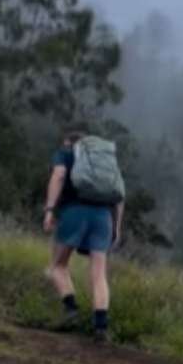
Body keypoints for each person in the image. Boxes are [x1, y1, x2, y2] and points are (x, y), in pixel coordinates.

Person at [42, 129, 125, 343]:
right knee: (99, 274)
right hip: (103, 217)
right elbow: (119, 194)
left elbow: (59, 175)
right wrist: (117, 227)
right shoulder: (105, 161)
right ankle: (101, 327)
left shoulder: (65, 153)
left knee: (57, 266)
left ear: (68, 142)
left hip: (75, 212)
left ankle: (71, 310)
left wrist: (49, 210)